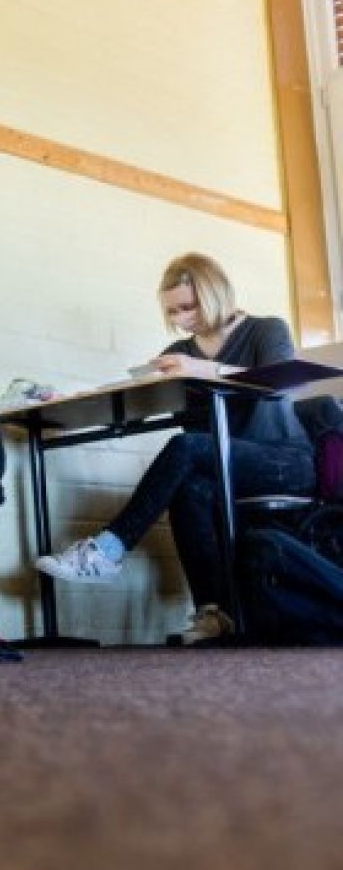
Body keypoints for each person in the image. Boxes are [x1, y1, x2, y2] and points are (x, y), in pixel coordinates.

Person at [35, 252, 314, 643]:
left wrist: (202, 370)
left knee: (186, 447)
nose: (183, 318)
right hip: (222, 465)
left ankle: (110, 548)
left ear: (216, 295)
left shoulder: (266, 330)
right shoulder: (181, 350)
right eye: (173, 311)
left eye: (190, 306)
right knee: (189, 489)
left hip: (284, 461)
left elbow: (280, 381)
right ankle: (214, 612)